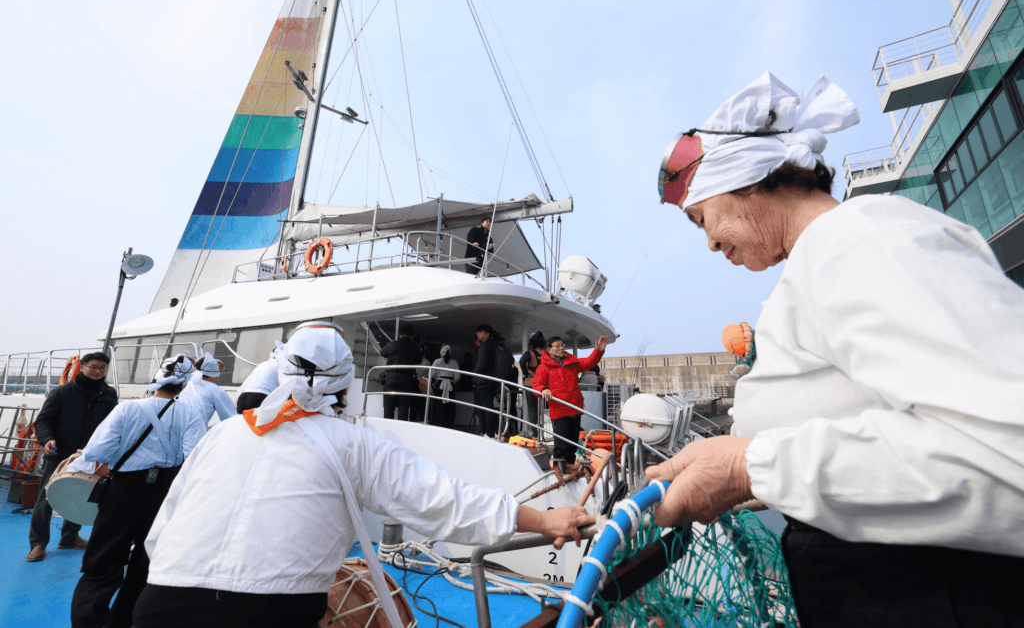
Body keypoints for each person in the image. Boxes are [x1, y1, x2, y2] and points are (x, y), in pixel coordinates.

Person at [647, 71, 1024, 627]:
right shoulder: (827, 259)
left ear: (747, 179)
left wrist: (749, 467)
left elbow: (1004, 448)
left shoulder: (856, 242)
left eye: (702, 218)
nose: (709, 243)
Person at [132, 327, 593, 627]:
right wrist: (547, 521)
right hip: (270, 611)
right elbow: (445, 501)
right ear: (347, 386)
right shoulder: (351, 444)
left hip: (160, 603)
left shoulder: (226, 432)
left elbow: (161, 532)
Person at [69, 355, 206, 628]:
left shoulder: (127, 409)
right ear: (184, 385)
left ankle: (88, 622)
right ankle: (125, 621)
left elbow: (97, 451)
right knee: (145, 562)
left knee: (102, 560)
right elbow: (195, 458)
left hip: (122, 490)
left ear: (156, 379)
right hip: (163, 493)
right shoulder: (191, 413)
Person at [28, 351, 118, 562]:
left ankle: (69, 537)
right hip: (59, 452)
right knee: (46, 498)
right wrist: (47, 440)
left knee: (82, 493)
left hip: (90, 454)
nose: (98, 371)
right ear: (83, 367)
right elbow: (42, 420)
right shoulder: (62, 392)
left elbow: (113, 424)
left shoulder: (109, 394)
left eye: (102, 368)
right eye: (93, 366)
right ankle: (38, 543)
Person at [533, 336, 608, 474]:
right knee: (561, 443)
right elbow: (536, 386)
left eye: (562, 345)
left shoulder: (571, 362)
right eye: (557, 346)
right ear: (549, 350)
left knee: (573, 441)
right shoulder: (543, 367)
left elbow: (588, 363)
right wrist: (544, 389)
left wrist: (598, 351)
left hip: (574, 407)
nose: (562, 348)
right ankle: (558, 467)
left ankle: (569, 465)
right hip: (559, 409)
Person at [177, 352, 234, 427]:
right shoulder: (216, 390)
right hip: (196, 433)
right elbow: (231, 419)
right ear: (215, 373)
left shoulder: (185, 384)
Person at [379, 324, 421, 421]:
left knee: (388, 410)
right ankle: (401, 433)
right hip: (406, 381)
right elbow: (419, 361)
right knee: (403, 410)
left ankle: (387, 433)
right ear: (411, 336)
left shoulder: (392, 344)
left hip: (390, 380)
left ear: (400, 334)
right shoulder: (414, 347)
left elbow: (382, 353)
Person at [471, 324, 500, 437]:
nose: (477, 334)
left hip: (482, 381)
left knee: (485, 408)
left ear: (487, 334)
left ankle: (489, 432)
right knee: (488, 406)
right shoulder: (494, 345)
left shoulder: (484, 346)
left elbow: (481, 365)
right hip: (491, 381)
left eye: (480, 331)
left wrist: (473, 378)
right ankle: (492, 431)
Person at [518, 332, 545, 438]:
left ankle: (535, 434)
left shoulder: (530, 353)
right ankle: (543, 433)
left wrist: (526, 373)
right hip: (543, 384)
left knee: (532, 409)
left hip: (531, 383)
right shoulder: (546, 354)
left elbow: (522, 361)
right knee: (542, 409)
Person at [428, 345, 461, 427]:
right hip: (450, 385)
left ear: (440, 353)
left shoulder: (437, 361)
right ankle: (449, 423)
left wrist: (435, 380)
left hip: (439, 384)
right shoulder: (454, 362)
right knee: (450, 404)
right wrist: (452, 382)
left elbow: (431, 374)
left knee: (439, 403)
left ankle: (439, 422)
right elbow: (457, 376)